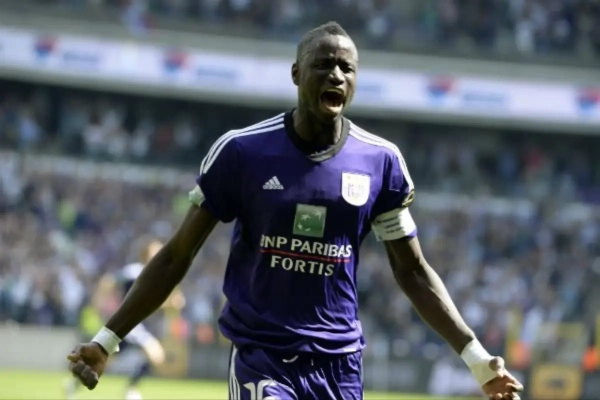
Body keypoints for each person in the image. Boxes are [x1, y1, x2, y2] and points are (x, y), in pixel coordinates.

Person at [68, 21, 524, 400]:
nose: (336, 76)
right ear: (295, 73)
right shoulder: (242, 152)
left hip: (340, 365)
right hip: (261, 356)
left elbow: (414, 271)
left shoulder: (381, 163)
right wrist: (108, 340)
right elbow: (175, 256)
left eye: (347, 68)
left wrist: (477, 359)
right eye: (323, 65)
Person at [66, 238, 173, 400]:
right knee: (155, 354)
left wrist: (170, 304)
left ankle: (74, 385)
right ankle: (131, 390)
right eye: (155, 251)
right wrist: (98, 303)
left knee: (106, 359)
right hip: (131, 323)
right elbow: (109, 281)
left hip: (136, 324)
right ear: (146, 254)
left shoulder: (154, 275)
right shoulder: (134, 271)